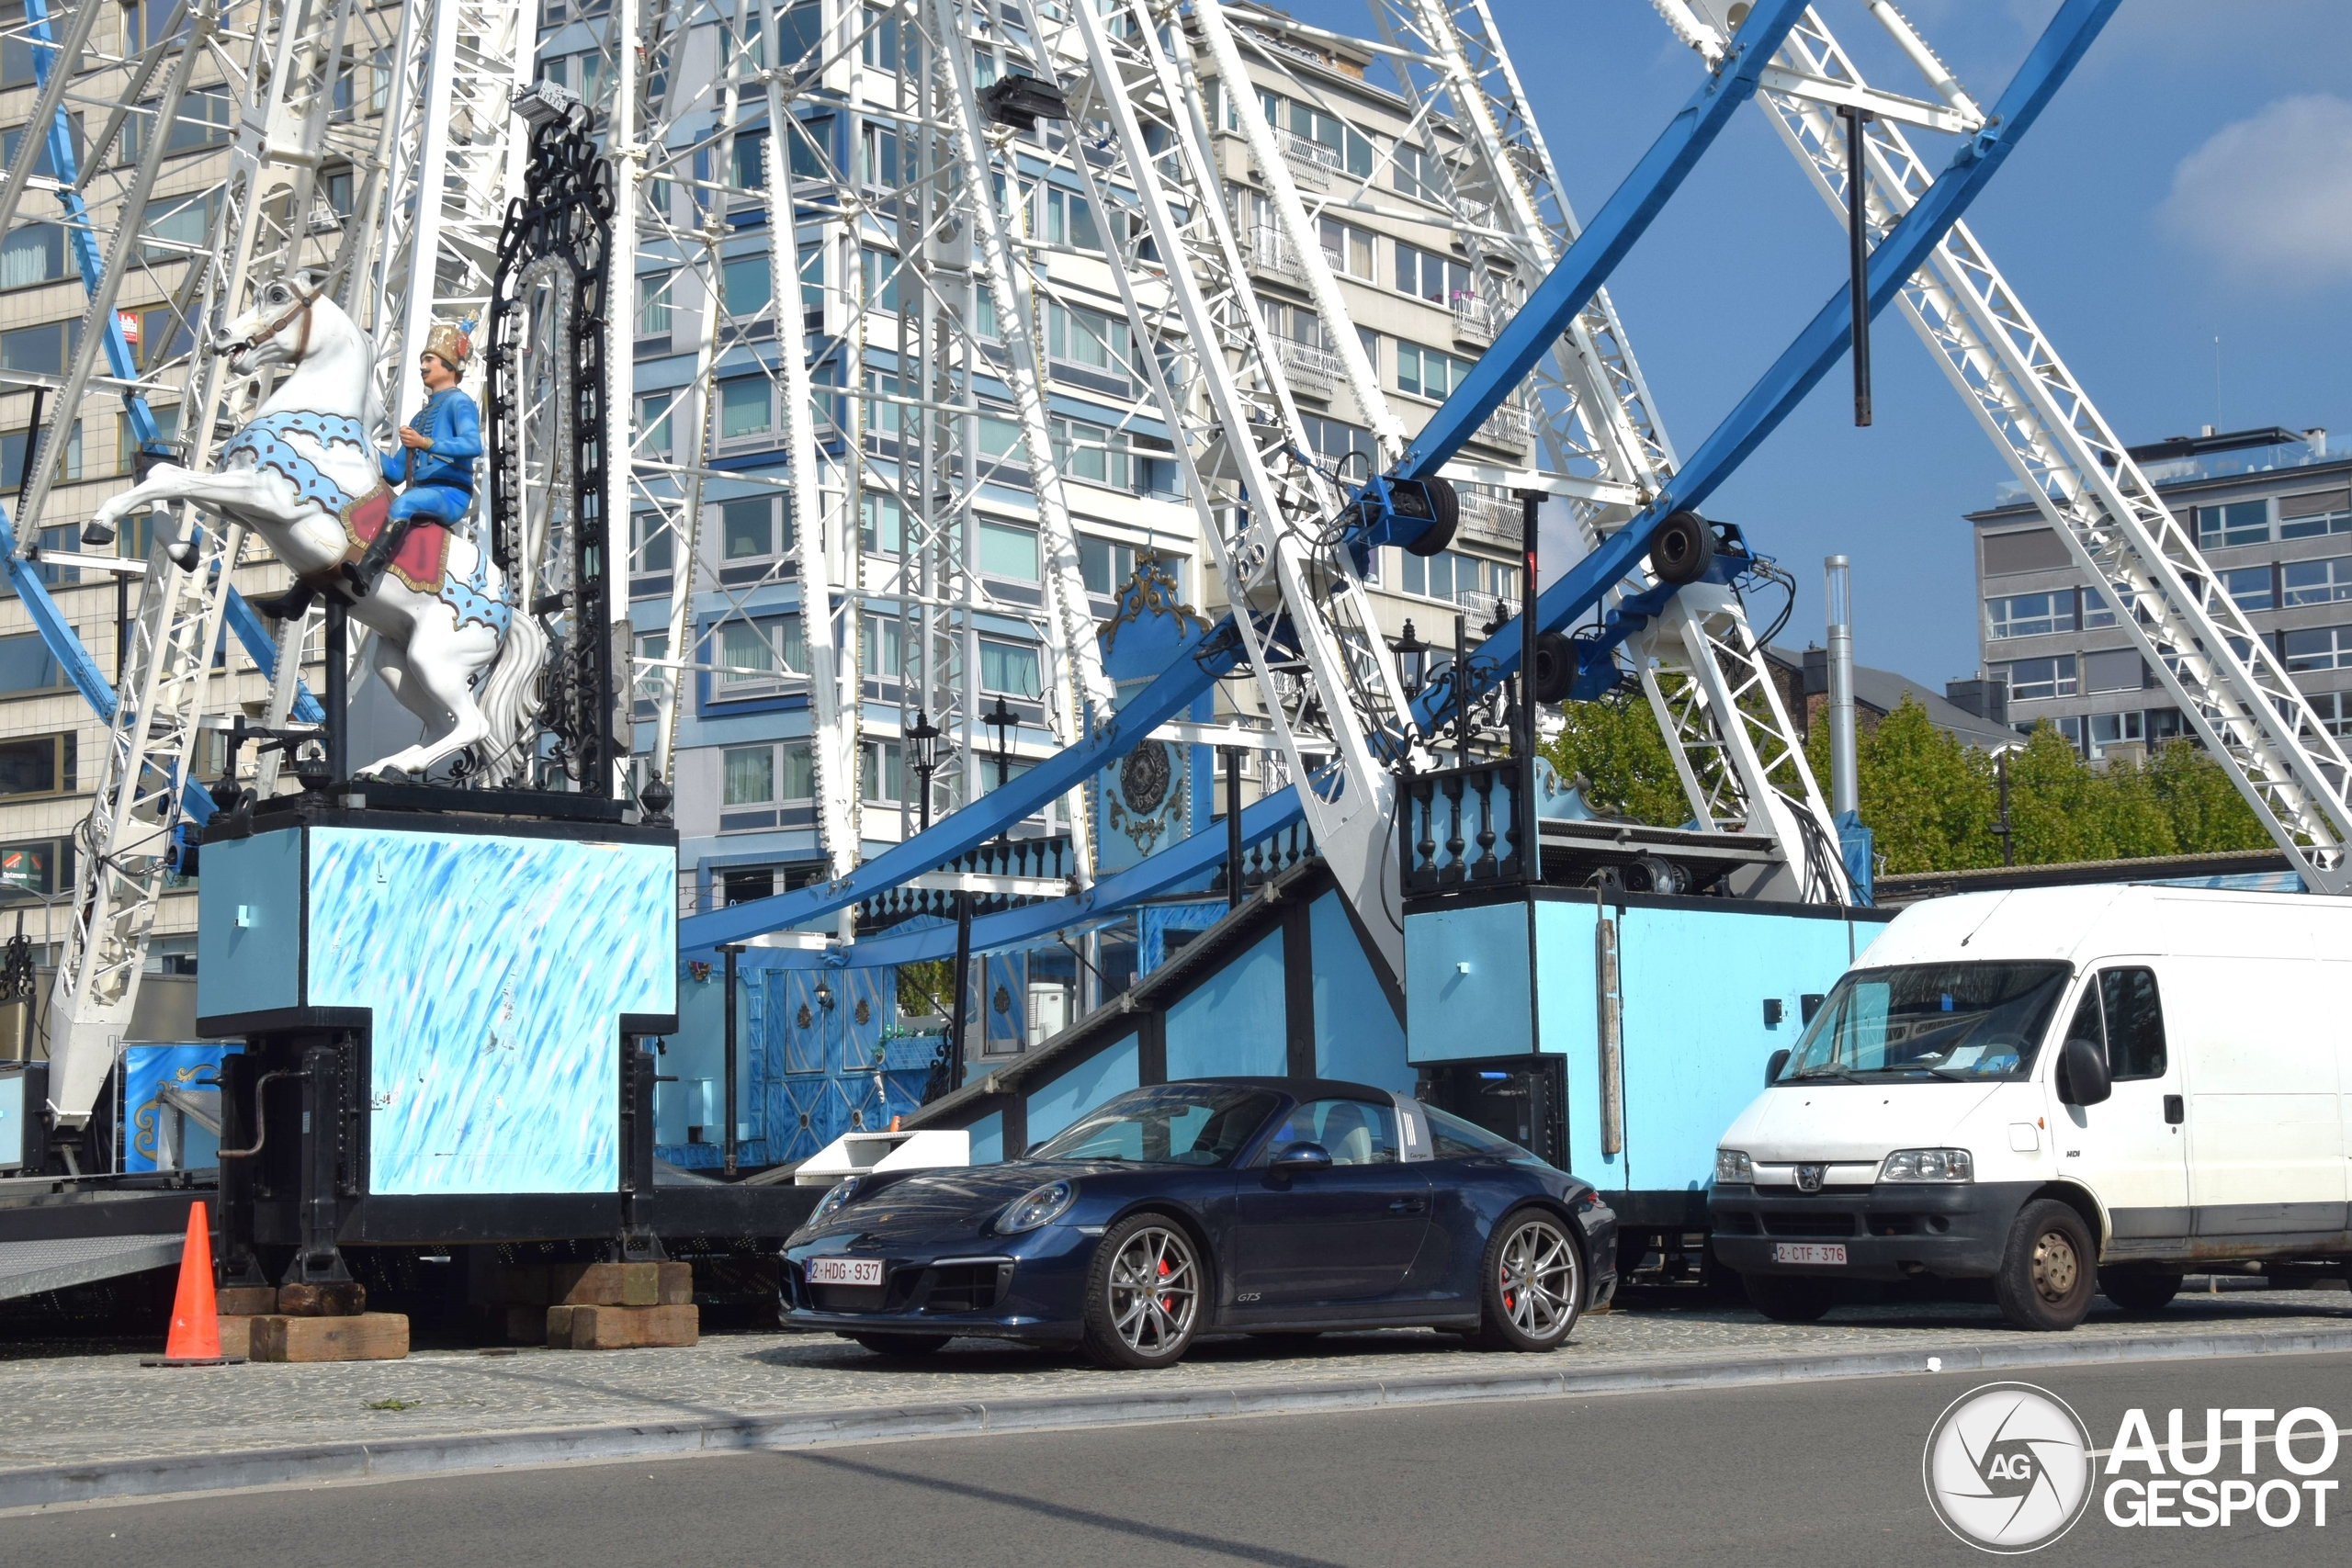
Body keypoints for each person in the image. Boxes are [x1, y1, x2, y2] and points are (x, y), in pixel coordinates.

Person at [343, 321, 481, 597]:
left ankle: (369, 569)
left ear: (449, 365)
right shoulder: (420, 417)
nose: (422, 366)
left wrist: (425, 443)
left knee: (405, 501)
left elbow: (472, 444)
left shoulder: (459, 403)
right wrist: (361, 445)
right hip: (423, 491)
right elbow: (395, 473)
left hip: (450, 494)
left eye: (429, 359)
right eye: (421, 360)